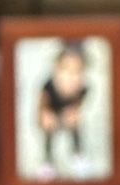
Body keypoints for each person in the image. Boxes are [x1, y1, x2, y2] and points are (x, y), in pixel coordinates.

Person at [37, 42, 89, 177]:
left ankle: (77, 155)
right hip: (52, 112)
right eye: (67, 70)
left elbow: (80, 100)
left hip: (68, 114)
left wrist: (75, 111)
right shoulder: (49, 85)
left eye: (77, 72)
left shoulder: (82, 88)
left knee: (75, 128)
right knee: (49, 133)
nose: (71, 77)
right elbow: (43, 101)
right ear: (57, 70)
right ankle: (48, 161)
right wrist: (45, 113)